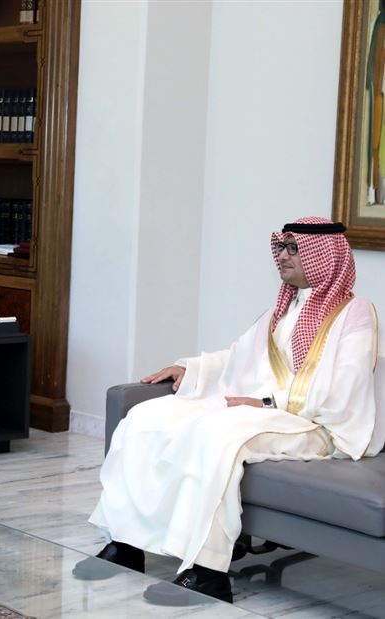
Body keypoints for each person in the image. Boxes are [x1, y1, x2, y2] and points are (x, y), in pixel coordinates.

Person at [78, 216, 379, 605]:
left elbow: (346, 387)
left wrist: (268, 402)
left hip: (317, 424)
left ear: (325, 257)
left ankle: (208, 572)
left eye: (294, 248)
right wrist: (191, 369)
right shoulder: (283, 309)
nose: (282, 256)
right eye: (281, 247)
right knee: (146, 418)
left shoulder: (356, 313)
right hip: (266, 412)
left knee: (218, 436)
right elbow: (238, 357)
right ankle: (126, 543)